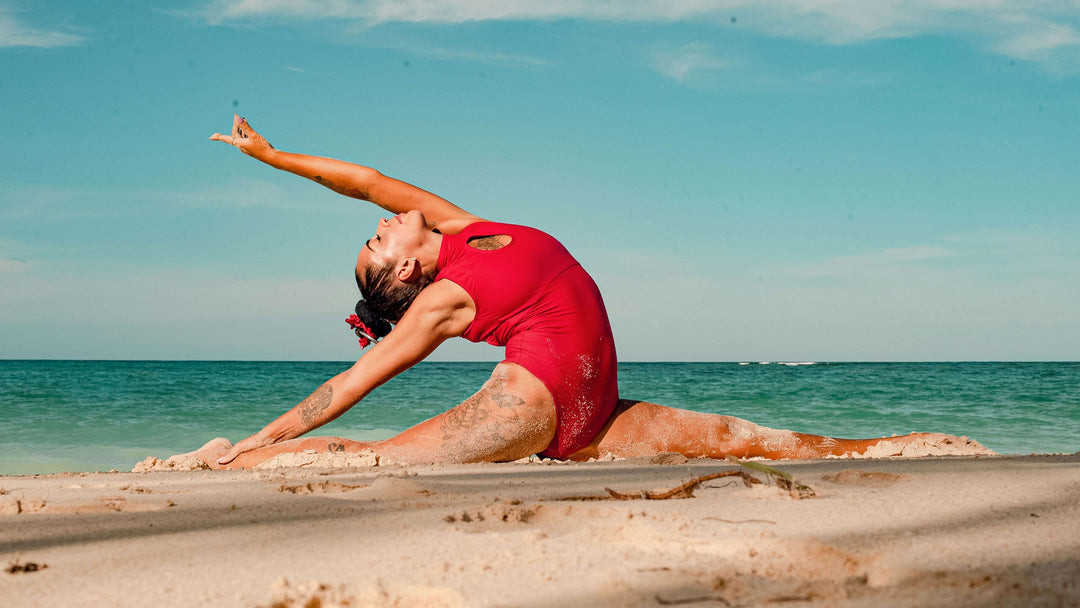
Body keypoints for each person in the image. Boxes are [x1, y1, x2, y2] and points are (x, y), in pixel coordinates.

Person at [189, 114, 979, 469]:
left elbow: (363, 181)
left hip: (593, 408)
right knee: (378, 461)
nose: (384, 221)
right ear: (403, 273)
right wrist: (266, 435)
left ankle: (900, 445)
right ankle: (237, 461)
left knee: (755, 439)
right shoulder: (442, 296)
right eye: (376, 241)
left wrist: (272, 157)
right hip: (529, 405)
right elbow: (355, 380)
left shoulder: (461, 225)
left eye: (374, 230)